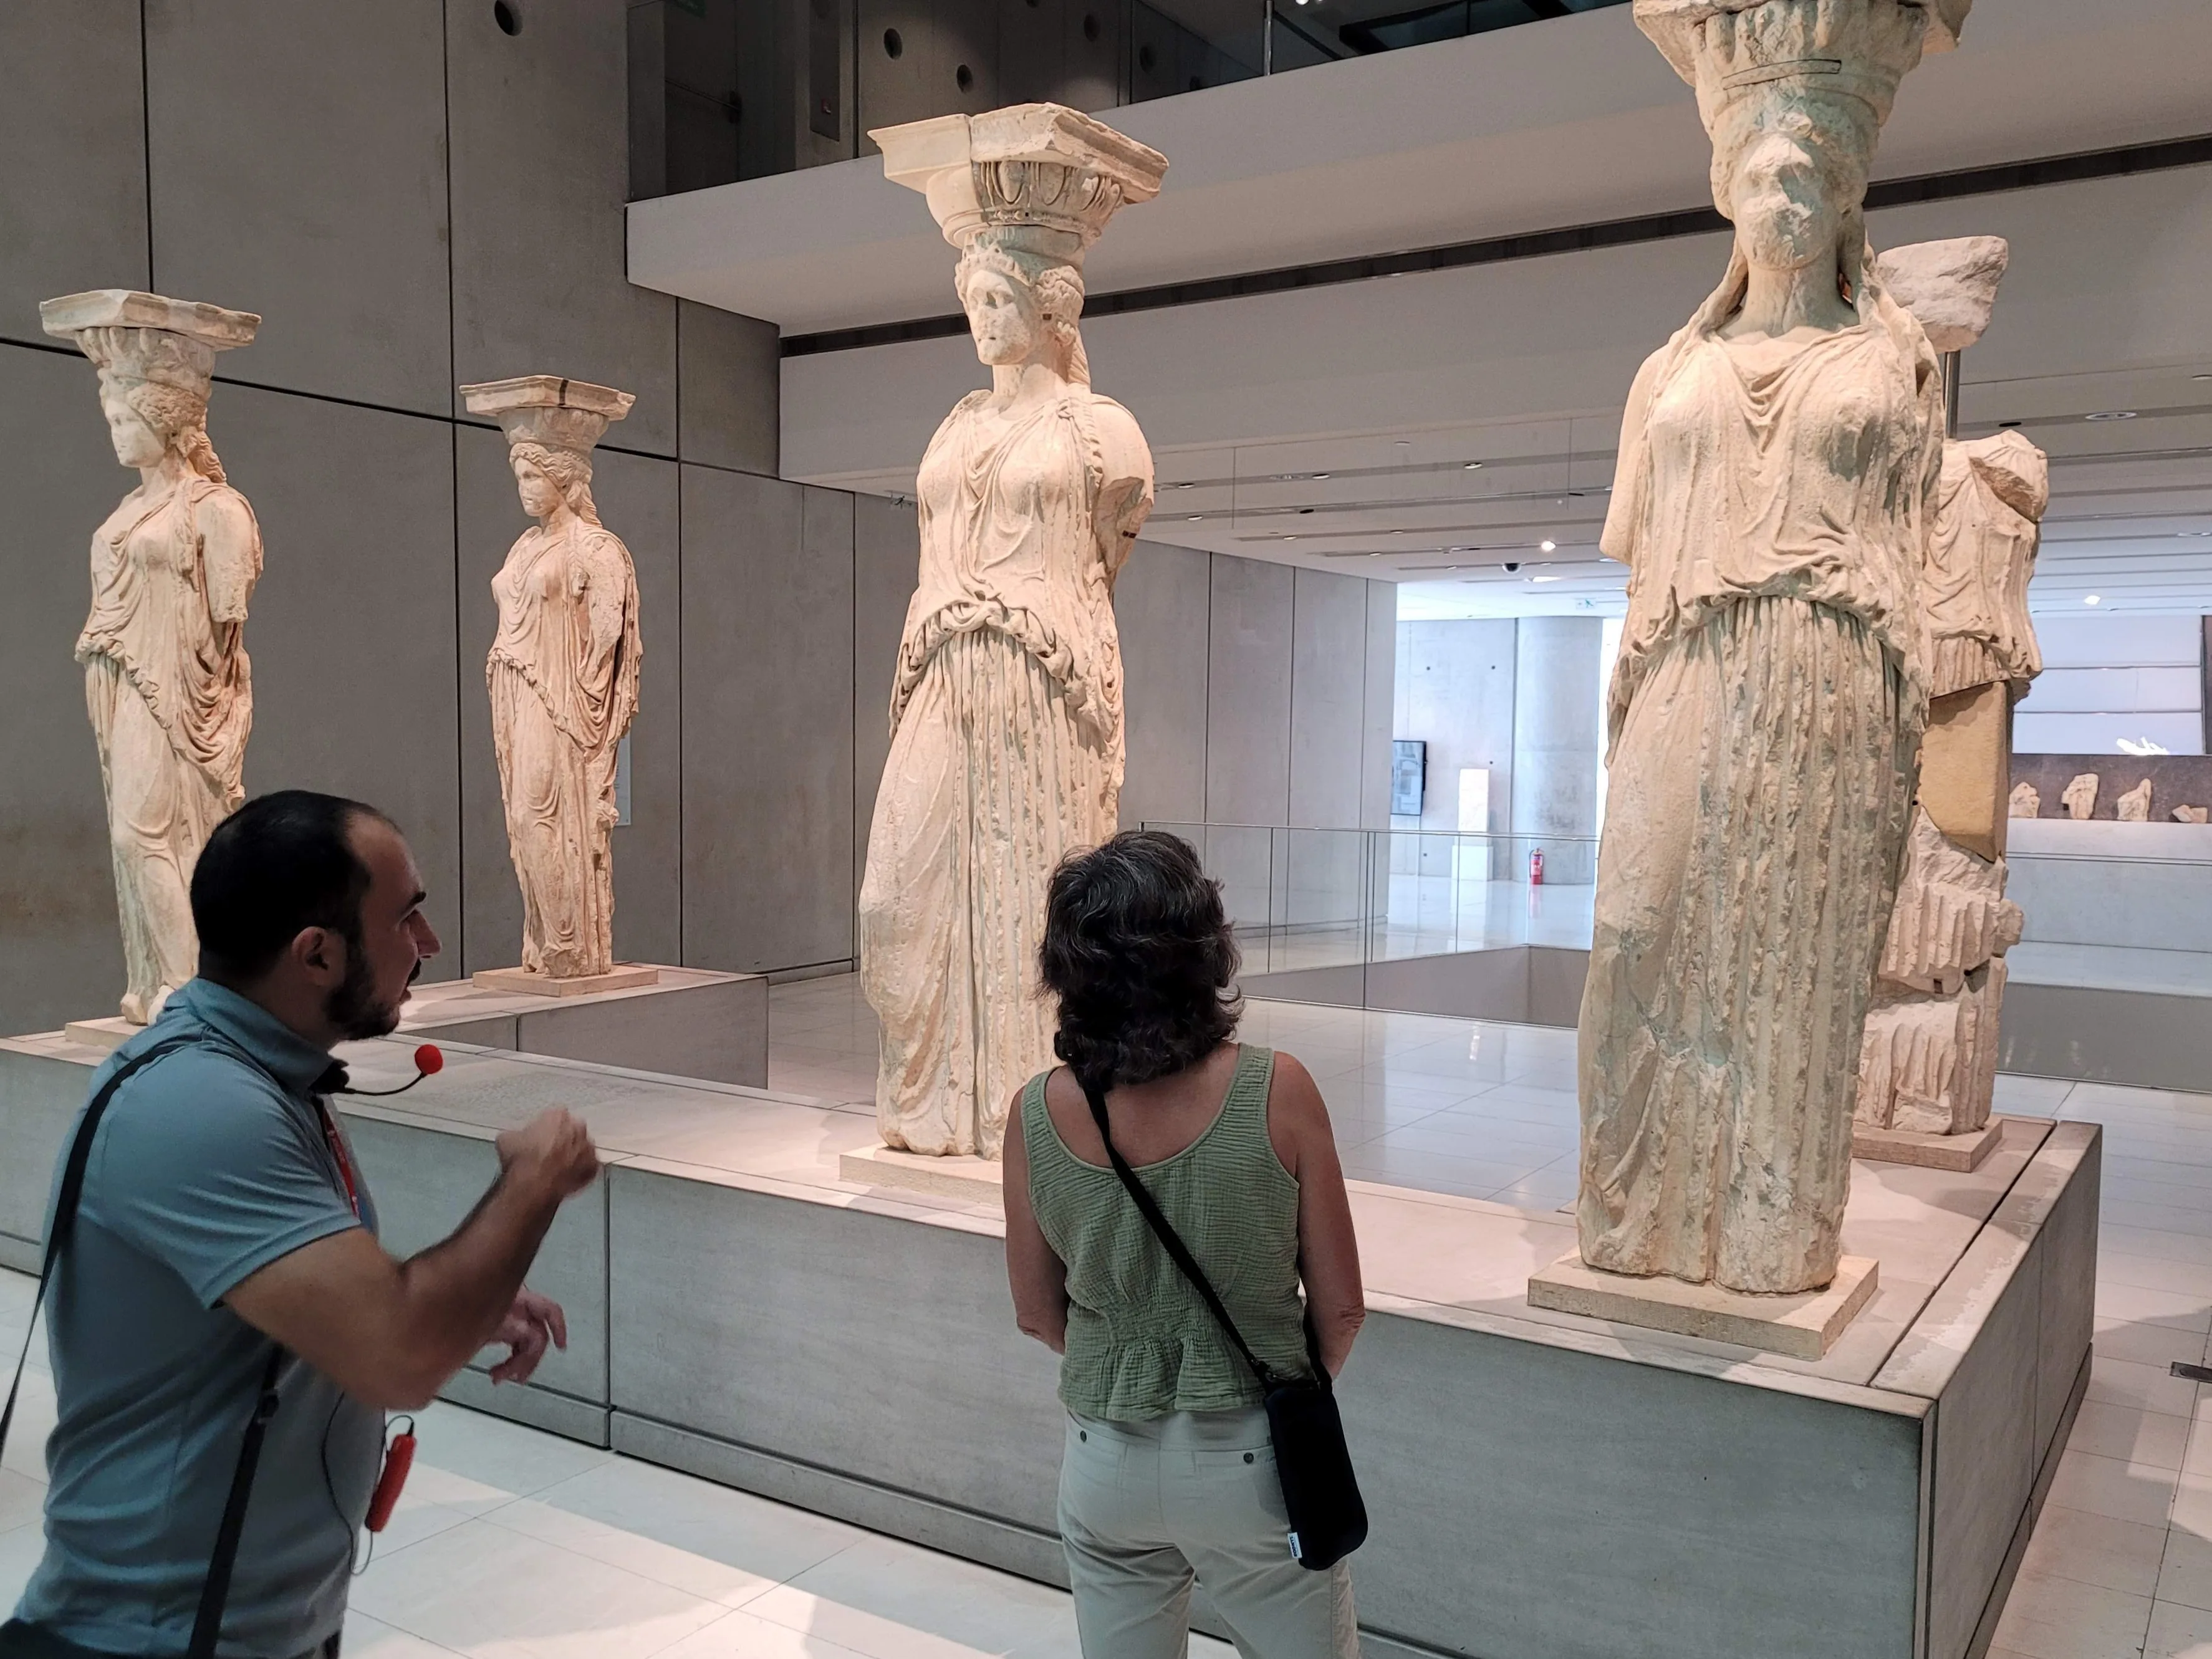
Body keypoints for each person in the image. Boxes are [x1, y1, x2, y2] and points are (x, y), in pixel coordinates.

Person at [2, 791, 602, 1659]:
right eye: (407, 919)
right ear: (316, 955)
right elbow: (402, 1356)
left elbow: (301, 1298)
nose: (429, 947)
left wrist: (465, 1297)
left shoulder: (257, 1077)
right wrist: (534, 1180)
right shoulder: (201, 1104)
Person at [1003, 830, 1366, 1659]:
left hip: (1104, 1457)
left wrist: (1129, 1356)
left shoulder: (1035, 1114)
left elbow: (1035, 1313)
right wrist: (1272, 1380)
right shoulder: (1280, 1089)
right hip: (1250, 1453)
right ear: (1205, 954)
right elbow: (1341, 1310)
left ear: (1067, 971)